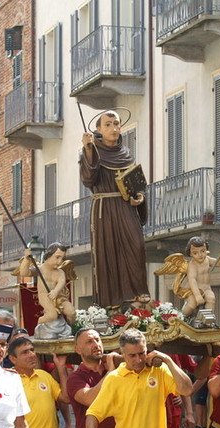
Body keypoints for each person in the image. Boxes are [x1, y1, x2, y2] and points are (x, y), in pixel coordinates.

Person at [80, 110, 150, 308]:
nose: (114, 128)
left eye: (117, 124)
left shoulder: (126, 154)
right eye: (108, 124)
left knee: (137, 245)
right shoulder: (91, 151)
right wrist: (88, 149)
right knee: (107, 252)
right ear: (99, 129)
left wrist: (140, 197)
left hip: (126, 206)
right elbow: (88, 179)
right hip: (104, 208)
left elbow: (138, 184)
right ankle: (110, 303)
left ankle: (138, 294)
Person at [181, 236, 220, 317]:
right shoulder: (192, 265)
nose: (200, 255)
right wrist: (198, 295)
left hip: (206, 288)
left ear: (206, 250)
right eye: (195, 253)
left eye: (203, 251)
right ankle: (181, 317)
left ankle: (205, 320)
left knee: (211, 299)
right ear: (190, 253)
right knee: (192, 304)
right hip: (193, 290)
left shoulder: (207, 259)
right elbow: (192, 280)